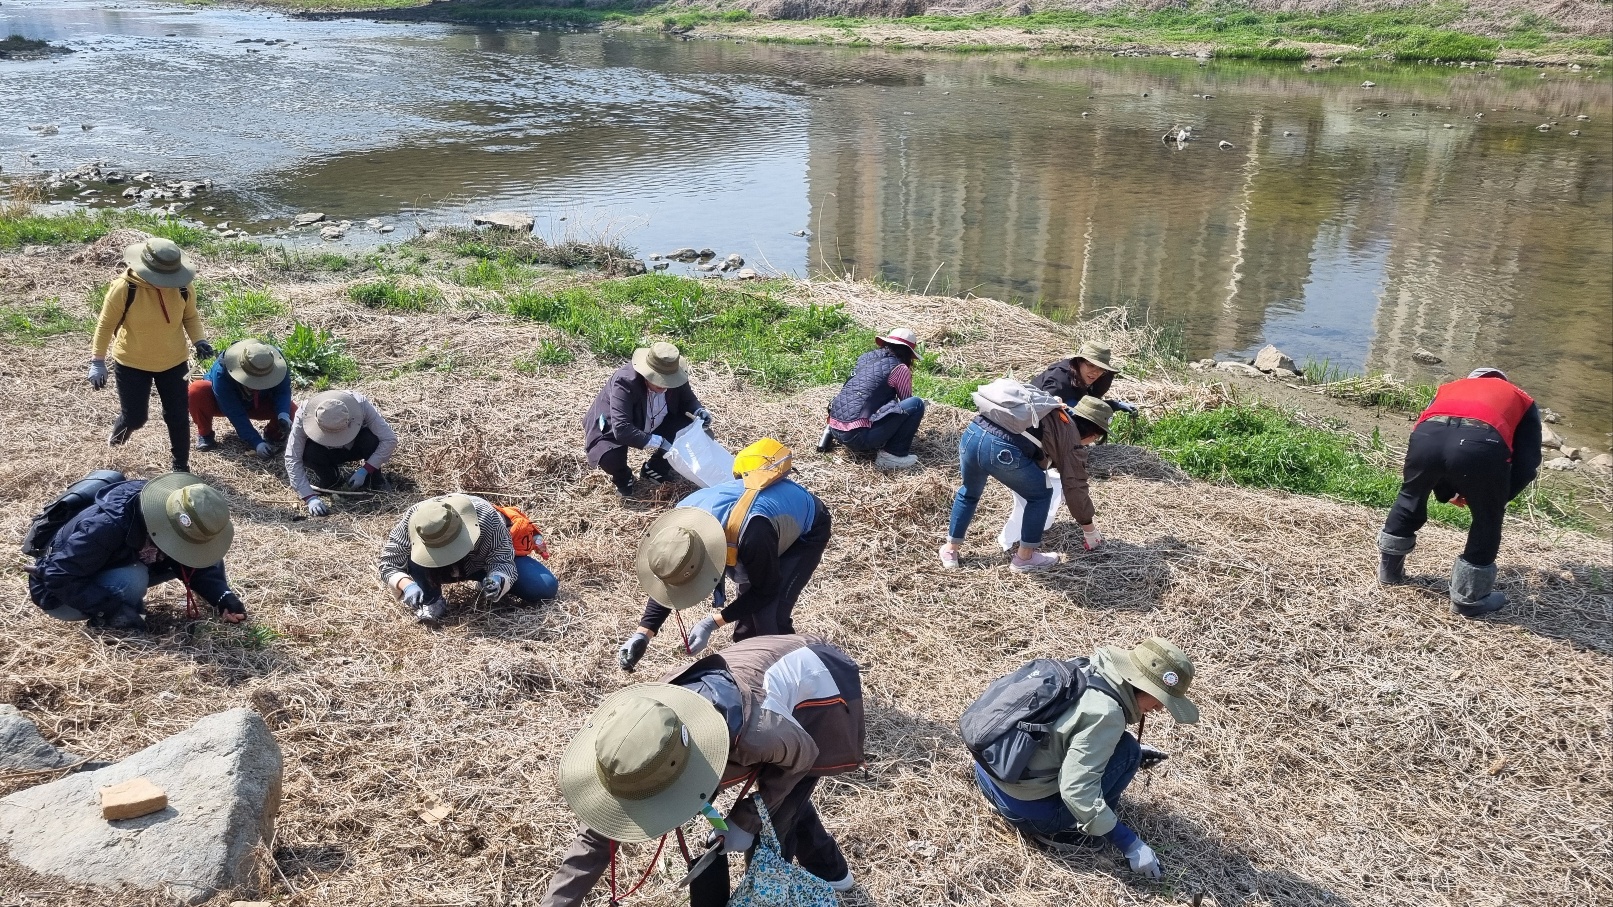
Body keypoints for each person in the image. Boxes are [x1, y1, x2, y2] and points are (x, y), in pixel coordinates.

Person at [541, 633, 864, 907]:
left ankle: (783, 891)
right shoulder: (634, 741)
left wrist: (746, 818)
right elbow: (594, 840)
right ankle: (831, 870)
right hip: (758, 683)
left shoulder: (757, 734)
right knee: (779, 793)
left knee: (774, 824)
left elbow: (802, 758)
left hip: (817, 685)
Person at [972, 637, 1198, 880]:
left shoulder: (1089, 666)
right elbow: (1076, 791)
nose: (1159, 709)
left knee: (1125, 748)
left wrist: (1106, 747)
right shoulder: (1106, 714)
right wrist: (1130, 843)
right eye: (1161, 699)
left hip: (988, 773)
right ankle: (1063, 832)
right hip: (1025, 812)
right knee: (1129, 752)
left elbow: (1065, 728)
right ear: (1143, 686)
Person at [618, 439, 830, 672]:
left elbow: (766, 590)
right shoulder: (681, 522)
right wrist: (643, 633)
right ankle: (749, 668)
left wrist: (712, 622)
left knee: (771, 618)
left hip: (805, 529)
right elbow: (673, 574)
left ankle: (798, 676)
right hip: (760, 529)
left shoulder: (751, 535)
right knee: (748, 624)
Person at [1377, 368, 1543, 616]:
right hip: (1480, 443)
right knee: (1487, 519)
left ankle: (1389, 571)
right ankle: (1469, 599)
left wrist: (1448, 493)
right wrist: (1498, 497)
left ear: (1472, 379)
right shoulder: (1520, 397)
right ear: (1502, 381)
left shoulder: (1449, 388)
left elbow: (1443, 446)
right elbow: (1527, 463)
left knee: (1411, 495)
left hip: (1426, 438)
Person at [27, 472, 246, 629]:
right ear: (166, 526)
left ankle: (125, 604)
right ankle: (109, 622)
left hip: (112, 562)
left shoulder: (166, 509)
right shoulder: (107, 526)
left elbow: (196, 554)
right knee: (133, 577)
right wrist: (112, 610)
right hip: (60, 595)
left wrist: (222, 595)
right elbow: (58, 576)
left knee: (196, 554)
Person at [940, 396, 1114, 573]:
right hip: (1001, 448)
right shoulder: (1071, 439)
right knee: (1041, 494)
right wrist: (1089, 530)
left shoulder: (1051, 408)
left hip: (973, 433)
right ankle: (1024, 558)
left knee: (969, 492)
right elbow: (1075, 487)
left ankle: (950, 551)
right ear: (1094, 435)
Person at [88, 237, 213, 473]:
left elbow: (190, 316)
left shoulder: (183, 287)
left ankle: (180, 466)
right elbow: (105, 324)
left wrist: (200, 341)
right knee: (135, 417)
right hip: (132, 362)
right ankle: (115, 443)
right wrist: (97, 361)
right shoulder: (125, 288)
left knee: (177, 416)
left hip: (174, 361)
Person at [583, 341, 711, 496]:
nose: (664, 386)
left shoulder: (676, 376)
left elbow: (687, 399)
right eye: (659, 381)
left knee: (692, 430)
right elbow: (622, 428)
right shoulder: (625, 382)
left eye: (668, 382)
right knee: (610, 457)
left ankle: (655, 468)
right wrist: (660, 442)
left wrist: (699, 410)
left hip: (656, 419)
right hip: (616, 424)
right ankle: (623, 477)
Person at [378, 493, 524, 624]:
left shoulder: (485, 515)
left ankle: (485, 584)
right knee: (412, 557)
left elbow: (502, 558)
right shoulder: (412, 520)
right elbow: (389, 564)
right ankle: (432, 600)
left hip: (480, 565)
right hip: (436, 570)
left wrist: (498, 578)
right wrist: (407, 585)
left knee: (536, 586)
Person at [824, 327, 927, 469]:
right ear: (908, 353)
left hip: (835, 430)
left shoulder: (865, 358)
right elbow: (906, 402)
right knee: (916, 404)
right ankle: (893, 455)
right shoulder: (900, 368)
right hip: (857, 437)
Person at [286, 389, 398, 516]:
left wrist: (366, 469)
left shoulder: (361, 404)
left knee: (371, 439)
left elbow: (390, 439)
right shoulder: (304, 413)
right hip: (327, 452)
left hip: (356, 447)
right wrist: (309, 497)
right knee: (308, 451)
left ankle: (375, 479)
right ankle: (330, 477)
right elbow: (292, 457)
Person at [189, 339, 295, 458]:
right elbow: (233, 411)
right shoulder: (222, 370)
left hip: (258, 402)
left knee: (292, 411)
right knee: (197, 390)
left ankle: (273, 434)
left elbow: (282, 390)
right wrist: (256, 442)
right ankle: (205, 434)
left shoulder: (276, 363)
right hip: (223, 404)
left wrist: (283, 414)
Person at [1034, 341, 1138, 416]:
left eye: (1101, 368)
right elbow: (1041, 412)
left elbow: (1091, 403)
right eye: (1091, 365)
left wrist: (1116, 405)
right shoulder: (1060, 381)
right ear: (1079, 361)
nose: (1095, 372)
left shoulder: (1100, 376)